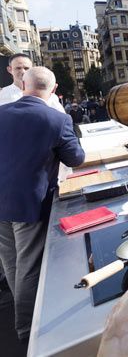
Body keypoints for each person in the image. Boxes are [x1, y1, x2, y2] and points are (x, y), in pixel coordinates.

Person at [0, 67, 85, 341]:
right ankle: (27, 330)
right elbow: (76, 158)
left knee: (12, 264)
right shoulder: (57, 119)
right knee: (28, 266)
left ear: (23, 84)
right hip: (29, 204)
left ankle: (22, 314)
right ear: (54, 88)